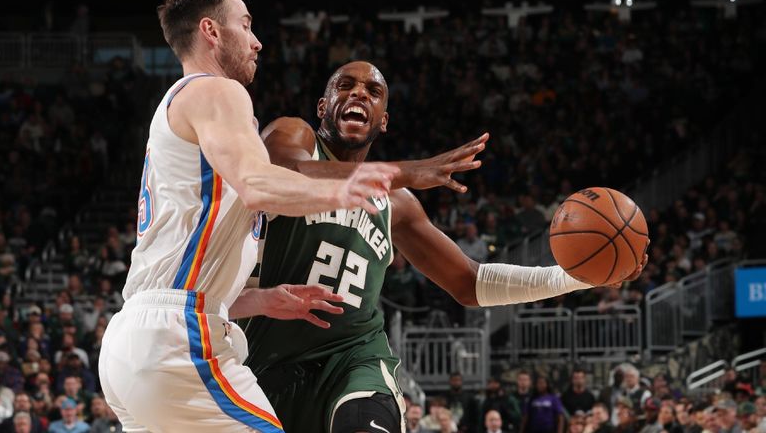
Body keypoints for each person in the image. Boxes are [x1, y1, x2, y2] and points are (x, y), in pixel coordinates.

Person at [242, 61, 647, 432]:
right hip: (267, 360)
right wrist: (404, 171)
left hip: (354, 358)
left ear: (383, 121)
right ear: (322, 106)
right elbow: (282, 173)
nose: (358, 93)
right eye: (344, 86)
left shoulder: (396, 203)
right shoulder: (294, 135)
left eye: (373, 91)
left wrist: (575, 278)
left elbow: (470, 282)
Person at [97, 0, 400, 433]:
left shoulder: (189, 111)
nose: (257, 42)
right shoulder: (217, 91)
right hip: (179, 338)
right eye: (246, 25)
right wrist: (349, 187)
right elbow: (259, 185)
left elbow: (189, 270)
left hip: (136, 342)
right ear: (211, 31)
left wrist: (262, 299)